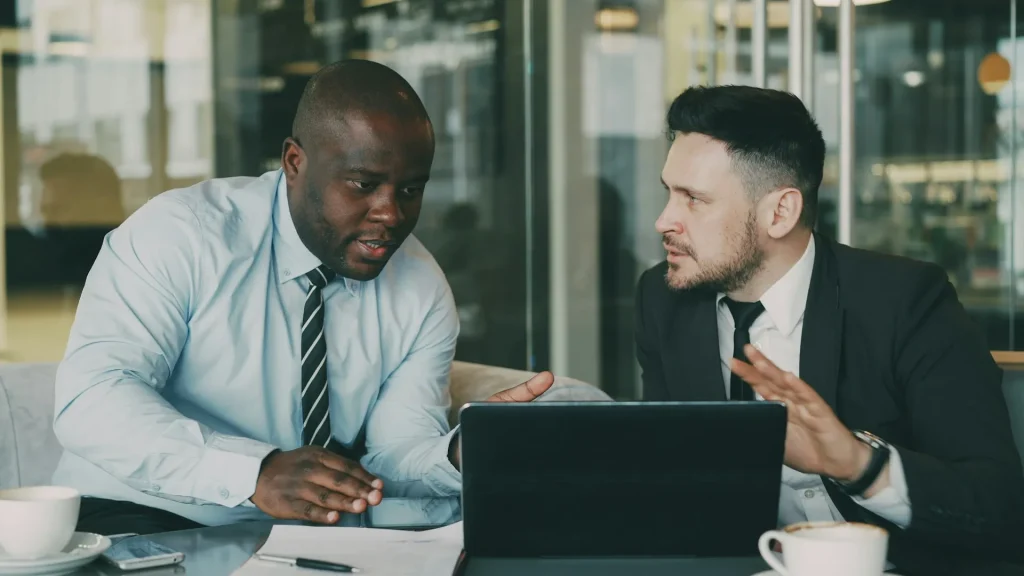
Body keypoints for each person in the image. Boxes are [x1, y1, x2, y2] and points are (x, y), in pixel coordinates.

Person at [52, 60, 553, 535]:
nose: (391, 214)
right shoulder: (182, 235)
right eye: (364, 184)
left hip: (305, 540)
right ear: (294, 162)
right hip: (140, 513)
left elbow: (393, 454)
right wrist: (254, 472)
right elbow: (92, 401)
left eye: (410, 190)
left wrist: (461, 452)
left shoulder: (419, 287)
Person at [634, 85, 1024, 574]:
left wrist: (858, 465)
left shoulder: (904, 301)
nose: (663, 220)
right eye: (669, 192)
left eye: (693, 199)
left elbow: (1000, 506)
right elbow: (663, 476)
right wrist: (565, 433)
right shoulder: (664, 299)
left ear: (780, 212)